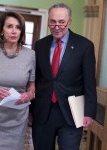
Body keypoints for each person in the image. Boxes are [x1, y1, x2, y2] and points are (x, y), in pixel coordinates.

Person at [31, 3, 97, 150]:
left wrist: (89, 113)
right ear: (48, 22)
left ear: (69, 22)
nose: (57, 26)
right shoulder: (40, 45)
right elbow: (35, 79)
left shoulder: (84, 46)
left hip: (72, 113)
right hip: (43, 112)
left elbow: (89, 83)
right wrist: (30, 110)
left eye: (61, 22)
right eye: (53, 21)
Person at [0, 11, 35, 150]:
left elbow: (31, 85)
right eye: (9, 26)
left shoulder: (30, 54)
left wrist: (29, 95)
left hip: (17, 117)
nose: (14, 31)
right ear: (1, 30)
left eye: (18, 27)